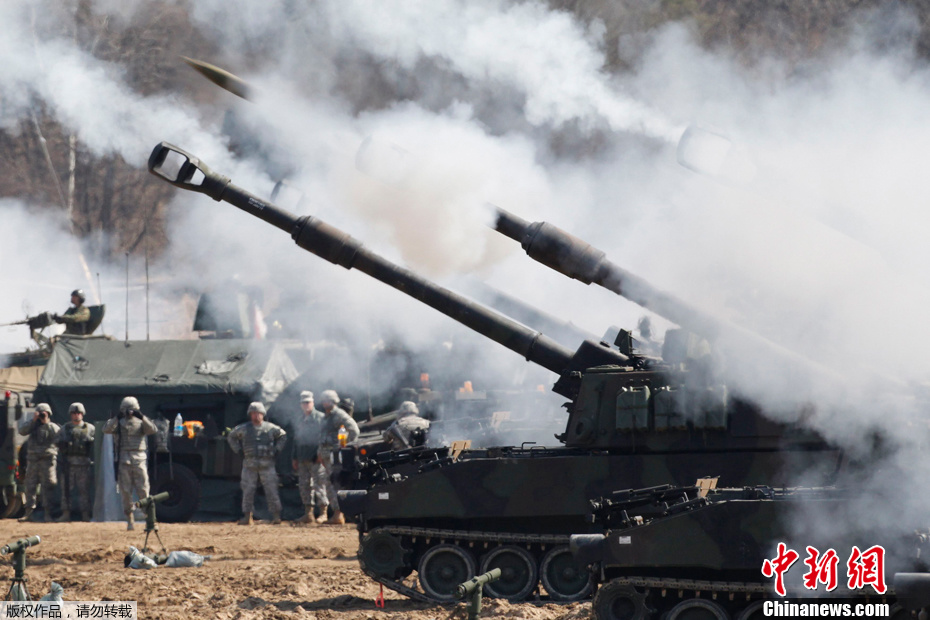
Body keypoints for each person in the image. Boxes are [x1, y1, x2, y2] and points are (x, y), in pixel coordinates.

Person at [227, 402, 287, 526]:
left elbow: (283, 436)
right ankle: (247, 516)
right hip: (250, 464)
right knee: (248, 491)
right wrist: (238, 450)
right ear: (250, 415)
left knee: (271, 490)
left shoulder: (270, 428)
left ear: (263, 414)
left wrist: (277, 450)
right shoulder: (244, 428)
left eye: (258, 413)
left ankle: (276, 516)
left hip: (267, 464)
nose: (256, 416)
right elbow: (231, 436)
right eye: (253, 413)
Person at [103, 396, 157, 530]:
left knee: (143, 489)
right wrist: (117, 417)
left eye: (131, 409)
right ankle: (130, 519)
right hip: (123, 459)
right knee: (125, 491)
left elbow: (152, 430)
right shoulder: (118, 422)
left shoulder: (142, 422)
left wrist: (141, 416)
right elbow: (106, 429)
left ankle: (149, 518)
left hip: (139, 457)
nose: (129, 412)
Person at [315, 390, 359, 525]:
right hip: (326, 455)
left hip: (335, 455)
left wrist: (344, 446)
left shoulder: (339, 414)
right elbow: (322, 436)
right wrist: (320, 453)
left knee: (336, 483)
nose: (325, 402)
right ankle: (336, 513)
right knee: (329, 483)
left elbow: (354, 430)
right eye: (324, 400)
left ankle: (339, 514)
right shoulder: (325, 417)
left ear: (334, 401)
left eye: (327, 400)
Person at [17, 403, 60, 522]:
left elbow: (59, 437)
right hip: (33, 461)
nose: (41, 415)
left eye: (44, 413)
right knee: (30, 486)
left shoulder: (52, 426)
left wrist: (46, 422)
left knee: (48, 487)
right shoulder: (32, 426)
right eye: (40, 413)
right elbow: (22, 431)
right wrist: (33, 420)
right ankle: (29, 513)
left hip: (47, 461)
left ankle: (47, 514)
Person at [57, 402, 95, 522]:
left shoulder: (90, 428)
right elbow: (57, 444)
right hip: (68, 465)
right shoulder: (64, 429)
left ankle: (85, 514)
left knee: (84, 491)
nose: (76, 415)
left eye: (78, 413)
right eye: (74, 413)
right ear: (70, 414)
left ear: (82, 414)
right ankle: (66, 514)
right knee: (66, 490)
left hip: (84, 465)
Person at [291, 391, 323, 525]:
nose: (306, 405)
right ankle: (308, 513)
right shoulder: (299, 419)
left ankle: (323, 513)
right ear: (301, 404)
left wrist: (320, 454)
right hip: (302, 457)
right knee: (304, 486)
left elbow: (323, 437)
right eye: (304, 403)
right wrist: (294, 457)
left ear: (313, 403)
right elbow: (296, 439)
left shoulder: (320, 418)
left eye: (308, 402)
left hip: (315, 457)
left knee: (319, 484)